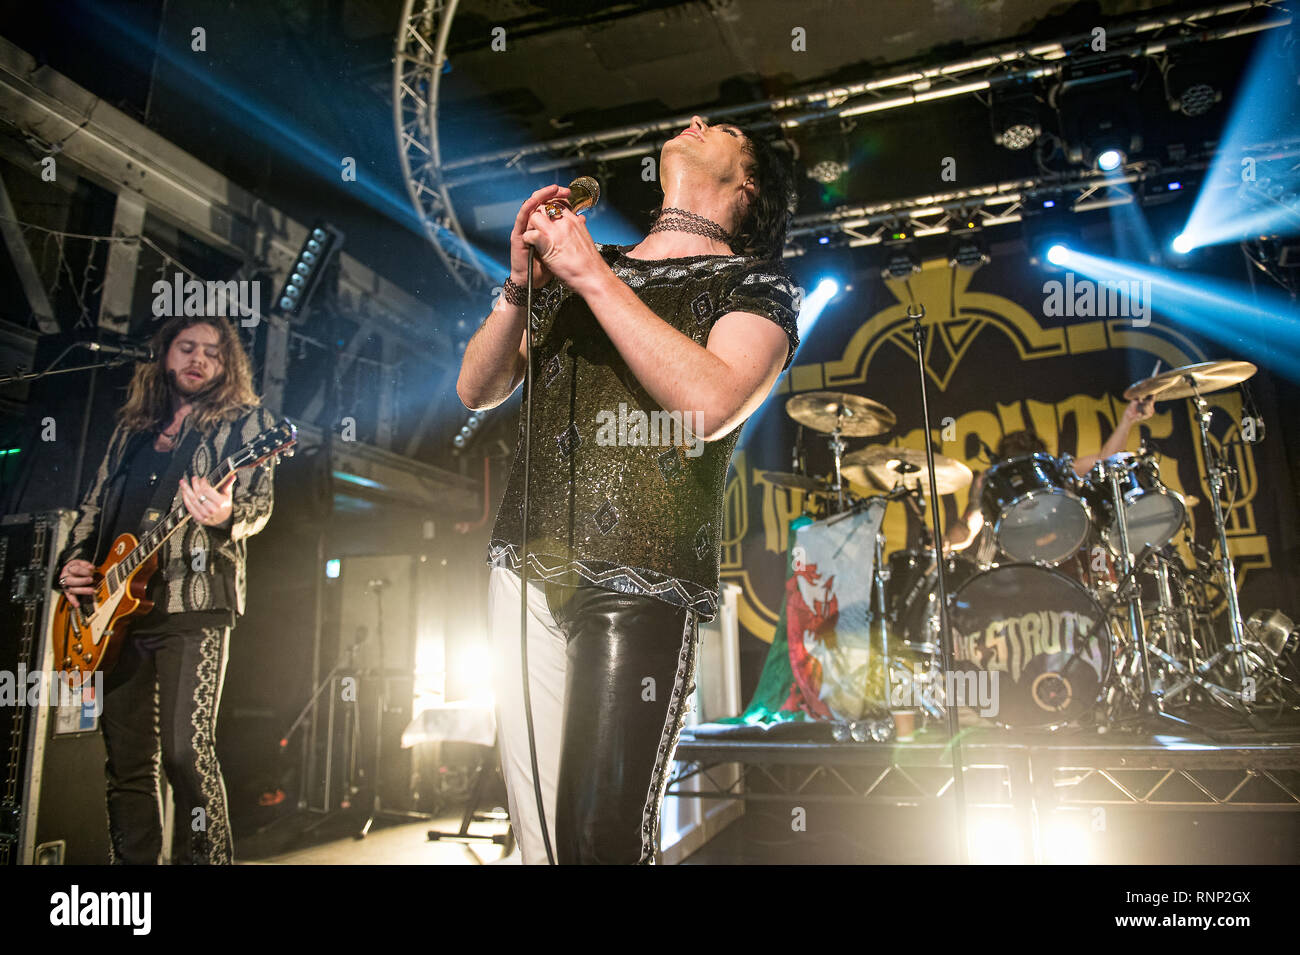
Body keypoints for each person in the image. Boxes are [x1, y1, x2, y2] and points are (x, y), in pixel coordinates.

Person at [457, 115, 801, 864]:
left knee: (599, 837)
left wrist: (590, 277)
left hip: (642, 578)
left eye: (725, 128)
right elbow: (476, 387)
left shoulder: (755, 285)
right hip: (525, 565)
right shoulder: (573, 263)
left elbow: (706, 405)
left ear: (747, 182)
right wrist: (521, 286)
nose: (697, 120)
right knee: (540, 837)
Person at [56, 316, 277, 864]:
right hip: (111, 616)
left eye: (212, 353)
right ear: (164, 355)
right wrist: (73, 562)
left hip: (194, 605)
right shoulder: (132, 432)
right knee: (128, 765)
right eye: (186, 348)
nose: (198, 360)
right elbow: (91, 509)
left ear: (228, 367)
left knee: (184, 753)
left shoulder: (246, 424)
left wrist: (228, 514)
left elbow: (258, 506)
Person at [944, 396, 1155, 560]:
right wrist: (944, 545)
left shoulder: (1059, 471)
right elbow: (967, 530)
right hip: (1013, 570)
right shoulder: (990, 483)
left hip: (1066, 563)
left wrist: (1129, 418)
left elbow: (1106, 460)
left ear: (1044, 466)